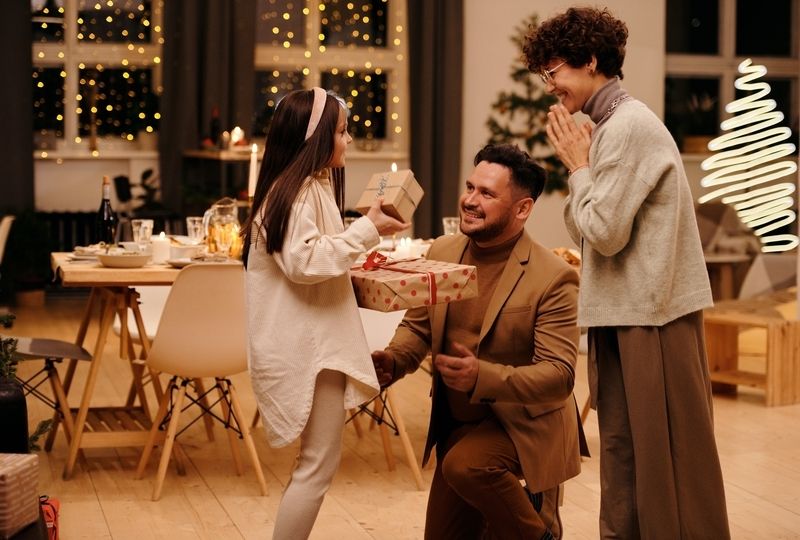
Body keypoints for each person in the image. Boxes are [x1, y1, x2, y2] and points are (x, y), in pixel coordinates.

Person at [524, 7, 731, 539]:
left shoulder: (630, 126)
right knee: (625, 450)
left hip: (653, 316)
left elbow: (603, 231)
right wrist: (582, 171)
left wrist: (577, 167)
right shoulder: (610, 127)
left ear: (591, 62)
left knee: (663, 454)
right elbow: (587, 227)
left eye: (555, 73)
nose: (551, 87)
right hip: (628, 310)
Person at [372, 143, 583, 540]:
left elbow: (560, 376)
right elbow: (419, 326)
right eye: (470, 187)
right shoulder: (443, 251)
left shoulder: (553, 276)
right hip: (460, 424)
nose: (470, 200)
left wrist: (481, 376)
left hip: (523, 424)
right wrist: (395, 360)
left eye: (486, 194)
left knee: (467, 466)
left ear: (522, 209)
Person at [242, 87, 408, 540]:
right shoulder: (292, 194)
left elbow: (323, 256)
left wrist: (366, 234)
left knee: (316, 464)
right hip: (308, 348)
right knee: (316, 466)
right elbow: (307, 263)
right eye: (341, 132)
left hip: (315, 344)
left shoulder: (307, 188)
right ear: (313, 138)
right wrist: (367, 229)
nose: (348, 140)